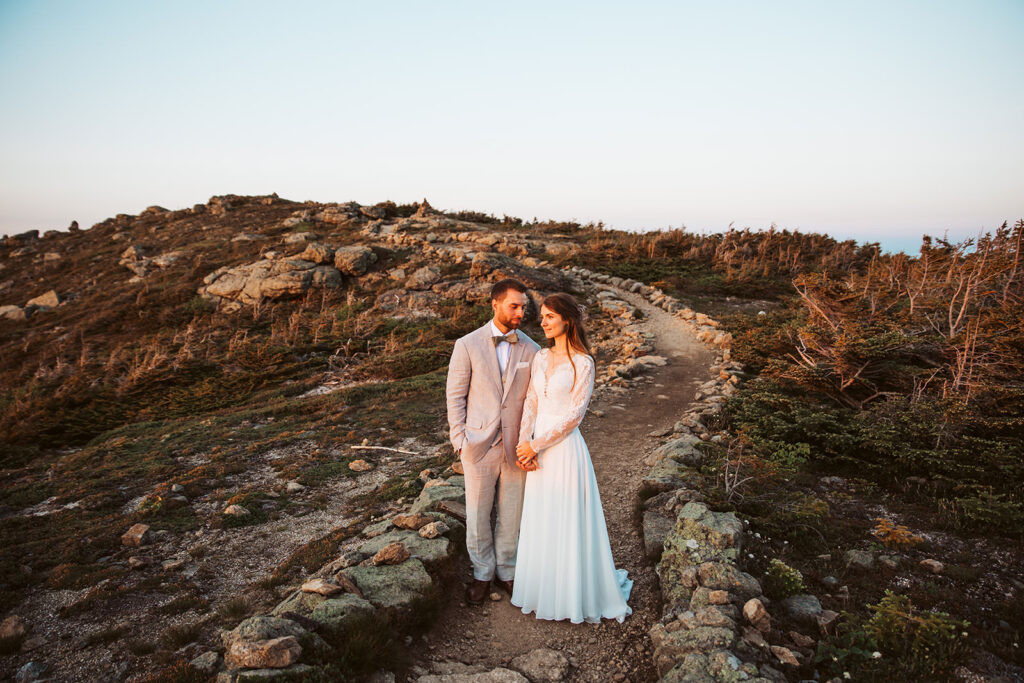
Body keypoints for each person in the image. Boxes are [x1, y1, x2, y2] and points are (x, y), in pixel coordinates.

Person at [511, 292, 633, 623]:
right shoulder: (539, 358)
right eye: (543, 316)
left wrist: (537, 446)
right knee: (542, 516)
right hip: (535, 444)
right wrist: (525, 444)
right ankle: (542, 589)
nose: (543, 321)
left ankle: (572, 594)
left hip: (564, 450)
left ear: (567, 319)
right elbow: (531, 402)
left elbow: (575, 416)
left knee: (565, 517)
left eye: (550, 316)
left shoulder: (583, 362)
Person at [446, 279, 542, 604]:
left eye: (523, 307)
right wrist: (459, 439)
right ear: (495, 304)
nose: (520, 312)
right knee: (477, 514)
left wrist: (532, 442)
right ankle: (481, 574)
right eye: (514, 306)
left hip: (517, 448)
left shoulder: (532, 349)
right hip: (478, 446)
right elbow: (455, 396)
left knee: (512, 515)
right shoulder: (467, 344)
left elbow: (535, 400)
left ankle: (507, 572)